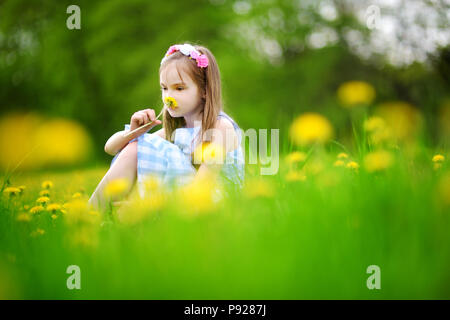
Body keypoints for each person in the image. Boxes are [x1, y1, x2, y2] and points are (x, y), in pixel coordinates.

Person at [88, 43, 245, 210]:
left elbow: (202, 187)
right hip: (184, 200)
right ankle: (93, 213)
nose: (169, 96)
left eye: (179, 88)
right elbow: (110, 148)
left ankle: (96, 213)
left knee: (141, 146)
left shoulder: (221, 127)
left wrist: (144, 207)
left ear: (205, 90)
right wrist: (135, 132)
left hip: (214, 205)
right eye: (164, 88)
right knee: (137, 145)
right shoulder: (178, 130)